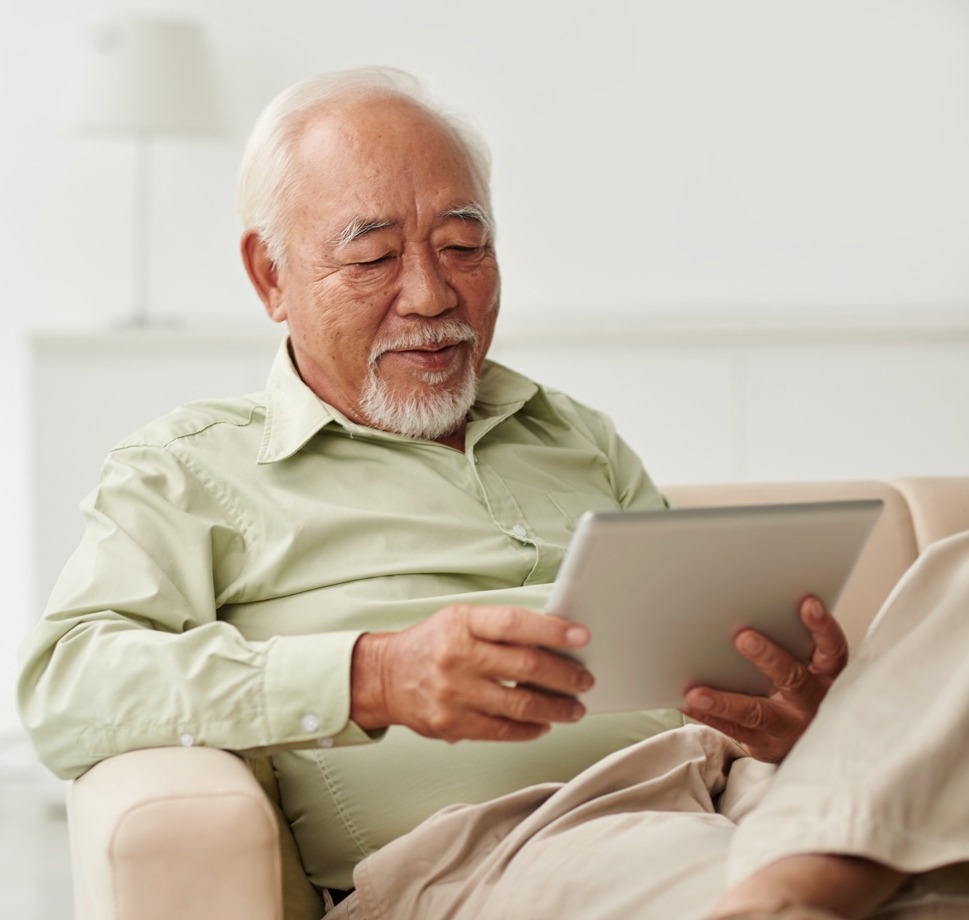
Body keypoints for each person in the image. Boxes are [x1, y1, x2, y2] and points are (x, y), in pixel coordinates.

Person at [16, 68, 968, 919]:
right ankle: (825, 873)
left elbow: (704, 671)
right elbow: (67, 687)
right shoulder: (189, 468)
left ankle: (816, 866)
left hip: (730, 794)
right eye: (374, 255)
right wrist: (372, 675)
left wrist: (799, 716)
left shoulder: (571, 432)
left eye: (463, 244)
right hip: (507, 849)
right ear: (272, 275)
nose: (431, 294)